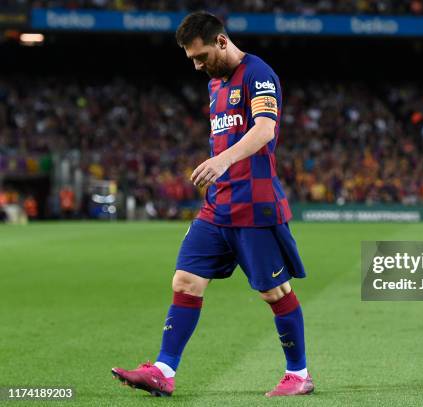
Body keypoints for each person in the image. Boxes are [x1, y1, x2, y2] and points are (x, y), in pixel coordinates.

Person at [111, 11, 314, 398]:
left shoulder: (259, 74)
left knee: (275, 293)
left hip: (255, 206)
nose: (197, 65)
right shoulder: (215, 86)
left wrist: (222, 161)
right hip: (217, 206)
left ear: (222, 41)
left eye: (201, 56)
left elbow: (265, 129)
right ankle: (163, 371)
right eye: (191, 59)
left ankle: (299, 373)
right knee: (185, 280)